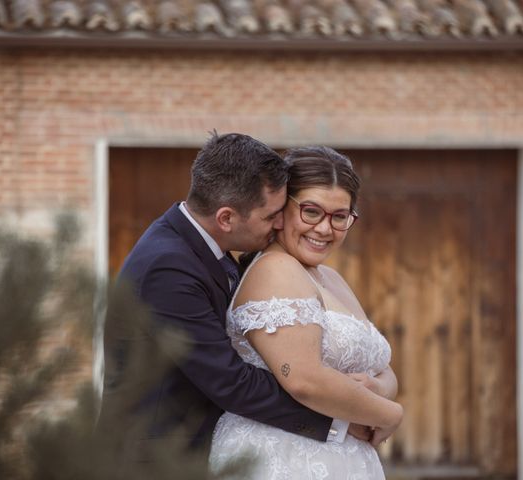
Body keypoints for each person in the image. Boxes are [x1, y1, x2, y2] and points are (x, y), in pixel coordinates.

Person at [96, 133, 382, 475]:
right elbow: (231, 381)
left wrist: (368, 395)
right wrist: (344, 420)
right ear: (226, 218)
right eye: (271, 215)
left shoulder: (210, 251)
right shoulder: (168, 266)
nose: (279, 224)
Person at [209, 146, 403, 478]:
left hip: (342, 459)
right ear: (282, 211)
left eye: (340, 216)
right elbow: (304, 380)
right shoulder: (275, 270)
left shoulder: (330, 278)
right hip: (286, 457)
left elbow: (382, 369)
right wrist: (390, 414)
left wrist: (378, 389)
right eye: (311, 212)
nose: (325, 229)